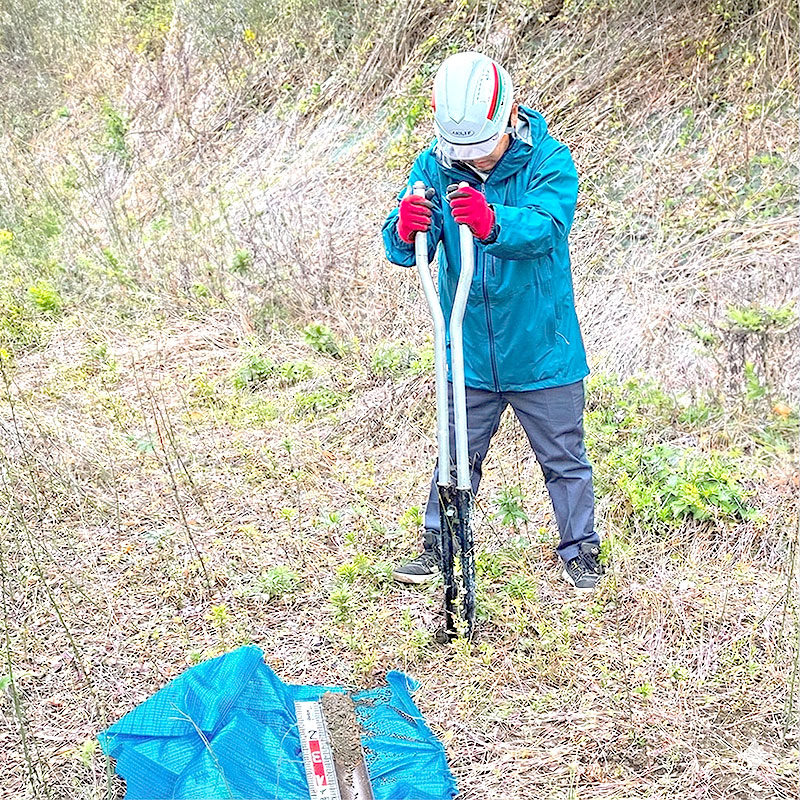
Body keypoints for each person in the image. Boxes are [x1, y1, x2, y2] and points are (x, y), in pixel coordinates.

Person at [382, 51, 603, 590]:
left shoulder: (548, 160)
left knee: (564, 457)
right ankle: (441, 546)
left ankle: (579, 551)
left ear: (507, 117)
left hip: (540, 347)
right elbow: (408, 242)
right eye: (463, 151)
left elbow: (546, 229)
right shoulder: (435, 163)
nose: (471, 160)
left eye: (480, 148)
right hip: (471, 345)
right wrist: (403, 229)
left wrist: (491, 221)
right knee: (456, 453)